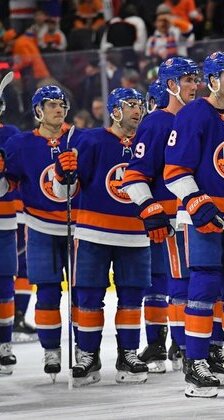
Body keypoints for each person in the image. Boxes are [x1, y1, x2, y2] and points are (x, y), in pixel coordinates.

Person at [164, 52, 224, 398]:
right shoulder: (193, 114)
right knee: (203, 287)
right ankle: (197, 361)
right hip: (204, 215)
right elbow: (174, 170)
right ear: (213, 80)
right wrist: (194, 200)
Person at [54, 88, 150, 387]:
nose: (137, 110)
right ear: (115, 111)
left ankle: (128, 354)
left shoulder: (147, 143)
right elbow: (65, 194)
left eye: (139, 105)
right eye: (130, 105)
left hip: (136, 234)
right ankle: (88, 355)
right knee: (89, 296)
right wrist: (61, 175)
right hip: (94, 232)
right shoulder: (92, 140)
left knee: (132, 298)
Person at [122, 58, 200, 375]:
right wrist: (150, 207)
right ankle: (176, 345)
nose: (195, 85)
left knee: (194, 285)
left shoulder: (200, 118)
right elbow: (137, 173)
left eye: (196, 79)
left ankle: (193, 345)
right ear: (170, 86)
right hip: (171, 220)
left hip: (197, 216)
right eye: (187, 79)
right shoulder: (156, 123)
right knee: (169, 284)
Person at [0, 85, 79, 382]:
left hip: (76, 229)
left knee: (82, 292)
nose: (58, 109)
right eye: (51, 105)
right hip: (40, 227)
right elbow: (4, 187)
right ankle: (51, 351)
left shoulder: (80, 139)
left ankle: (85, 351)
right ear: (37, 111)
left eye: (62, 104)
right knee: (47, 290)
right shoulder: (21, 144)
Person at [0, 94, 20, 374]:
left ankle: (4, 345)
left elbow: (12, 179)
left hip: (4, 220)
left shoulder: (12, 135)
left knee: (4, 286)